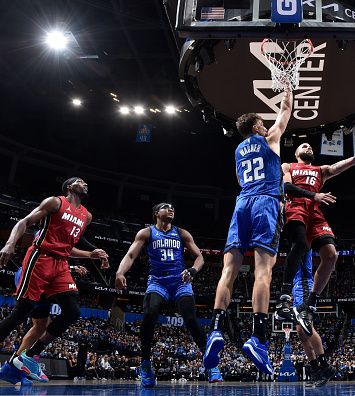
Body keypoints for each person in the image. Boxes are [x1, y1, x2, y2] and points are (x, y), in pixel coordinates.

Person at [202, 86, 293, 376]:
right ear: (256, 126)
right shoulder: (271, 139)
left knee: (228, 270)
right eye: (262, 124)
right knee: (263, 271)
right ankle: (259, 338)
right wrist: (288, 88)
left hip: (241, 203)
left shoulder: (239, 150)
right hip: (265, 203)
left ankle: (215, 330)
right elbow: (285, 113)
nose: (267, 126)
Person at [277, 132, 355, 335]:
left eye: (310, 147)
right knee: (302, 245)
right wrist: (314, 194)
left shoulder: (322, 170)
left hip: (315, 212)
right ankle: (284, 296)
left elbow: (350, 162)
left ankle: (310, 304)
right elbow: (287, 187)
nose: (308, 148)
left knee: (331, 255)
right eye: (304, 147)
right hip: (295, 207)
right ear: (296, 153)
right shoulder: (289, 166)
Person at [0, 177, 108, 382]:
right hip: (40, 258)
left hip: (60, 265)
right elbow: (25, 222)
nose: (85, 184)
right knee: (22, 311)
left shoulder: (87, 216)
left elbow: (68, 247)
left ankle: (28, 357)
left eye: (86, 182)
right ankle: (17, 364)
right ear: (69, 187)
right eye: (80, 181)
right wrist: (10, 243)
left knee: (73, 310)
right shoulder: (55, 202)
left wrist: (90, 254)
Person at [115, 203, 207, 387]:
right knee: (150, 313)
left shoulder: (182, 233)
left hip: (180, 281)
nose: (171, 209)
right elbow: (131, 255)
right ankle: (146, 364)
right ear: (157, 213)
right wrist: (120, 273)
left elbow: (200, 257)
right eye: (166, 207)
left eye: (173, 207)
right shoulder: (146, 233)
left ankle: (209, 360)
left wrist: (193, 271)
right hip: (158, 281)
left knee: (190, 317)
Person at [291, 250, 336, 387]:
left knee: (306, 326)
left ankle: (325, 366)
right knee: (301, 332)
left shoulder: (301, 240)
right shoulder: (294, 242)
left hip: (304, 283)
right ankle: (315, 370)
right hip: (297, 286)